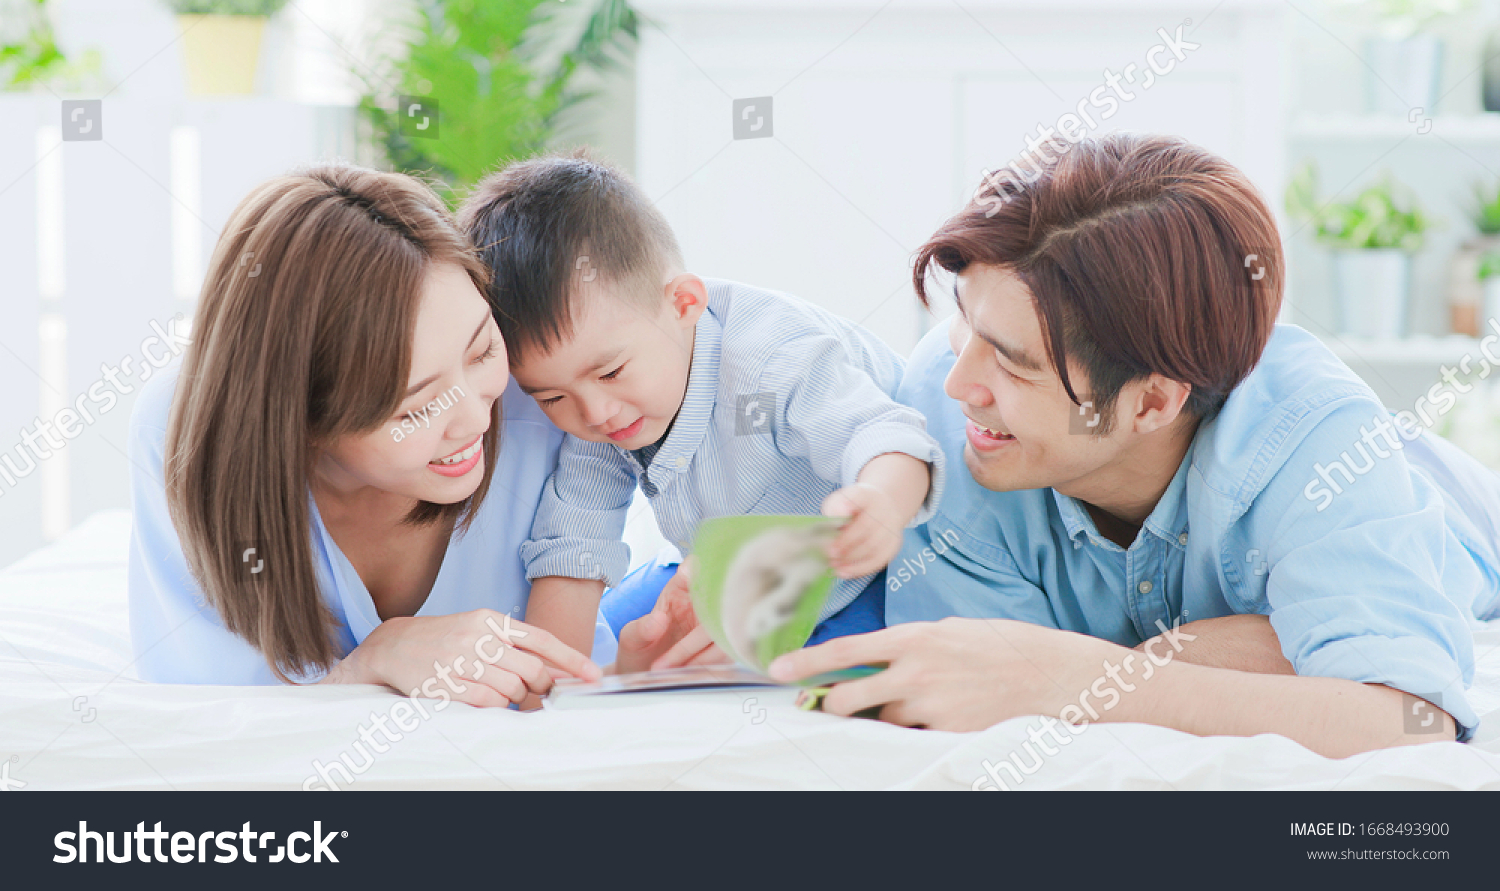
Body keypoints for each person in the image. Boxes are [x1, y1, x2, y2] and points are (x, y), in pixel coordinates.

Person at [769, 133, 1500, 758]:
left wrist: (1070, 677)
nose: (961, 382)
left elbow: (1412, 720)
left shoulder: (1319, 443)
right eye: (964, 323)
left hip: (1448, 517)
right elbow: (980, 687)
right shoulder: (944, 410)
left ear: (1153, 400)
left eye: (1014, 362)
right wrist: (1192, 657)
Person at [128, 163, 667, 705]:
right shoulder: (187, 434)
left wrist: (629, 669)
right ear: (304, 421)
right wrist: (375, 658)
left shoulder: (547, 391)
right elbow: (209, 699)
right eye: (417, 407)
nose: (477, 420)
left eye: (481, 351)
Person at [456, 153, 946, 665]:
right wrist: (551, 691)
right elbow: (574, 543)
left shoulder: (772, 358)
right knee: (623, 649)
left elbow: (886, 436)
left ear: (683, 303)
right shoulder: (597, 409)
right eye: (551, 398)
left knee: (817, 686)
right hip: (729, 574)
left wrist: (881, 504)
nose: (595, 412)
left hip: (863, 576)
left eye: (612, 372)